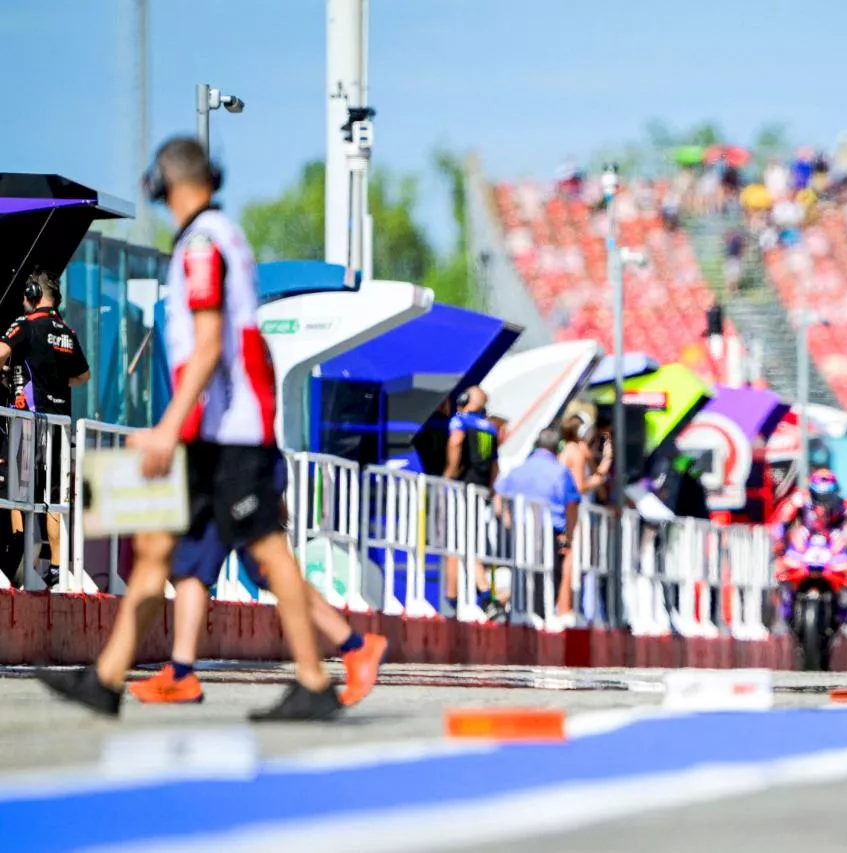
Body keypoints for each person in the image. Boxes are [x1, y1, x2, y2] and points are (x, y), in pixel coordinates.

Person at [35, 136, 339, 720]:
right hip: (215, 432)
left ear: (164, 182)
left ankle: (314, 680)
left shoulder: (201, 244)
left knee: (269, 553)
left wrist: (166, 430)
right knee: (154, 548)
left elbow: (205, 350)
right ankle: (106, 677)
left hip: (228, 434)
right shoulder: (222, 235)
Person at [127, 455, 387, 706]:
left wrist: (168, 430)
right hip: (219, 464)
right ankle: (180, 672)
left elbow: (213, 409)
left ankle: (346, 651)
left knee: (268, 566)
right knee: (193, 565)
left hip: (240, 463)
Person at [0, 270, 91, 589]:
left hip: (29, 423)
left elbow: (0, 354)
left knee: (16, 493)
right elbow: (84, 376)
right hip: (60, 427)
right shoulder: (67, 332)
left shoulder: (25, 324)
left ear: (33, 292)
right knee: (54, 497)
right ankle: (54, 567)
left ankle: (20, 561)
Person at [495, 428, 580, 624]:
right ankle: (540, 615)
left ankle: (519, 611)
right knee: (548, 573)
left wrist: (507, 522)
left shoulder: (518, 469)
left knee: (521, 570)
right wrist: (569, 535)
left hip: (520, 529)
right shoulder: (560, 472)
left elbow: (499, 496)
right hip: (549, 531)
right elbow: (571, 504)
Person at [442, 385, 500, 615]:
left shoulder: (460, 421)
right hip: (480, 492)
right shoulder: (491, 428)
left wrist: (450, 472)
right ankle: (485, 595)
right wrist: (491, 490)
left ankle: (452, 601)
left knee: (454, 546)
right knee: (470, 543)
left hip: (462, 490)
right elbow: (495, 466)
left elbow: (456, 442)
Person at [772, 469, 847, 550]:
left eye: (827, 496)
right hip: (805, 540)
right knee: (795, 536)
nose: (822, 503)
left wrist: (845, 534)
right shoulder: (801, 498)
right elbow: (782, 519)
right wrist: (779, 539)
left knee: (841, 540)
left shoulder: (845, 505)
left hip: (831, 543)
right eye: (818, 496)